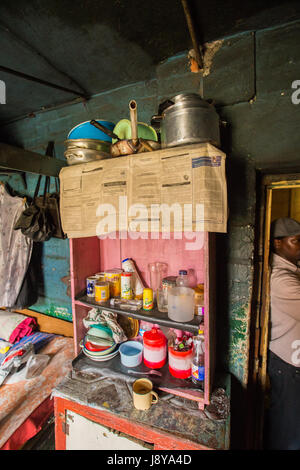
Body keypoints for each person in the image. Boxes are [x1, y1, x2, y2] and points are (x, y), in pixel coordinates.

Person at [265, 217, 300, 450]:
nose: (299, 246)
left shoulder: (292, 270)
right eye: (295, 241)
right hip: (286, 365)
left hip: (291, 362)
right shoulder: (281, 279)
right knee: (288, 431)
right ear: (277, 243)